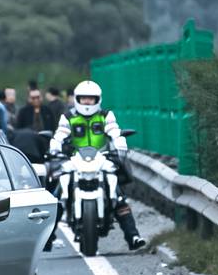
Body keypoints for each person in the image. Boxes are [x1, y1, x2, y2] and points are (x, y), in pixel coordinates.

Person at [48, 80, 146, 251]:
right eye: (84, 98)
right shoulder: (68, 117)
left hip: (101, 158)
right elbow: (60, 134)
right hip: (75, 159)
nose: (87, 102)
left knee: (119, 196)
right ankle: (48, 239)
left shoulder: (106, 115)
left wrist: (120, 144)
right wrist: (54, 148)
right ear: (78, 99)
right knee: (56, 197)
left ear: (97, 100)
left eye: (91, 99)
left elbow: (114, 130)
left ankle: (133, 236)